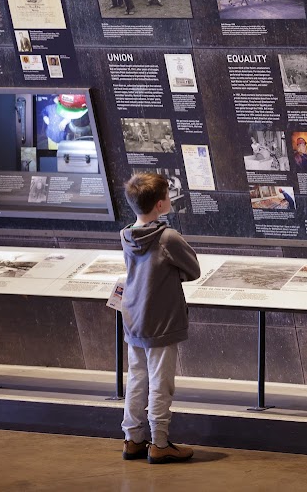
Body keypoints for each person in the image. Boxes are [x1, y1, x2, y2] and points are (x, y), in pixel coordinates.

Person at [120, 173, 200, 464]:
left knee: (137, 379)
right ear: (159, 205)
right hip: (162, 321)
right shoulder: (168, 236)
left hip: (134, 318)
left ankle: (132, 439)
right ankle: (160, 443)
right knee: (160, 383)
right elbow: (193, 269)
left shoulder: (126, 233)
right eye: (167, 196)